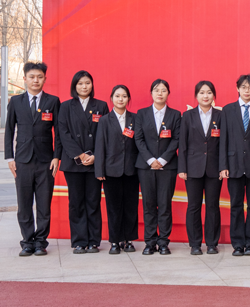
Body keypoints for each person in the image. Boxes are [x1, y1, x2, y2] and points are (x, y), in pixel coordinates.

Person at [6, 62, 61, 256]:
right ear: (25, 79)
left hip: (46, 161)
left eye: (39, 77)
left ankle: (40, 243)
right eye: (32, 77)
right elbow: (9, 130)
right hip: (22, 160)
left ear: (45, 78)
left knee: (44, 204)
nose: (35, 80)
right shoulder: (16, 101)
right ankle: (27, 242)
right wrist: (10, 157)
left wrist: (56, 156)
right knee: (24, 204)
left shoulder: (53, 101)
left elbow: (59, 132)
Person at [57, 70, 108, 254]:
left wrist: (95, 156)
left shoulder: (101, 105)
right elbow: (63, 133)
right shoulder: (65, 106)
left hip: (95, 161)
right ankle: (79, 241)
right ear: (74, 86)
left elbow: (105, 134)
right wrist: (79, 155)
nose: (84, 86)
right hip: (74, 163)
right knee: (76, 202)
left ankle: (94, 241)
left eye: (87, 83)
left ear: (92, 85)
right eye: (80, 83)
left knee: (93, 201)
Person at [220, 74, 250, 256]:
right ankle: (238, 244)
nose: (247, 90)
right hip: (233, 165)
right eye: (243, 87)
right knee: (235, 205)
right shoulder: (228, 110)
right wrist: (223, 165)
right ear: (237, 89)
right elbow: (223, 140)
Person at [133, 79, 181, 255]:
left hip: (167, 167)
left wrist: (162, 159)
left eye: (163, 90)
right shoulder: (141, 114)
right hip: (145, 167)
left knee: (165, 205)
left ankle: (163, 242)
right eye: (156, 90)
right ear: (151, 93)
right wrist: (150, 159)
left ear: (168, 93)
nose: (160, 93)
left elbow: (176, 139)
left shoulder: (175, 115)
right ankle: (150, 242)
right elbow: (138, 138)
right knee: (149, 205)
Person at [178, 81, 224, 255]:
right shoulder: (187, 116)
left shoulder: (221, 116)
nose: (206, 96)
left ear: (214, 95)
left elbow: (224, 144)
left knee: (213, 206)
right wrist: (182, 168)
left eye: (209, 92)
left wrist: (223, 167)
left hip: (214, 168)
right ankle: (195, 244)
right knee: (193, 206)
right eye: (202, 92)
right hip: (192, 168)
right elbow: (183, 144)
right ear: (196, 95)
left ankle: (212, 243)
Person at [94, 85, 140, 254]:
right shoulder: (105, 120)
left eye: (124, 96)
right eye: (117, 96)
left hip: (131, 170)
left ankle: (129, 240)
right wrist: (99, 170)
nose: (121, 99)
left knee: (131, 207)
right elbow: (100, 146)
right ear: (112, 98)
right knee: (113, 208)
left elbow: (139, 144)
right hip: (111, 170)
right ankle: (114, 241)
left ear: (128, 99)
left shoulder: (135, 119)